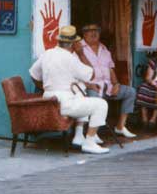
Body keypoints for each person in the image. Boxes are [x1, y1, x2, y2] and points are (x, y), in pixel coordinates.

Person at [29, 25, 110, 154]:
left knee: (80, 94)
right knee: (101, 104)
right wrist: (81, 53)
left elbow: (33, 75)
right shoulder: (71, 59)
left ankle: (79, 136)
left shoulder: (47, 54)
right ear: (73, 44)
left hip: (49, 101)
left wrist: (44, 87)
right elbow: (91, 75)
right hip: (64, 104)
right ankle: (89, 141)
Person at [79, 23, 137, 139]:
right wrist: (88, 85)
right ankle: (92, 133)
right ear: (84, 34)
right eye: (90, 31)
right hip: (91, 86)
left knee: (130, 92)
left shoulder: (104, 50)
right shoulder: (79, 49)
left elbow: (110, 70)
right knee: (95, 99)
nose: (94, 33)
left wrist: (116, 84)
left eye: (96, 30)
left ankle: (120, 126)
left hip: (108, 87)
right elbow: (75, 71)